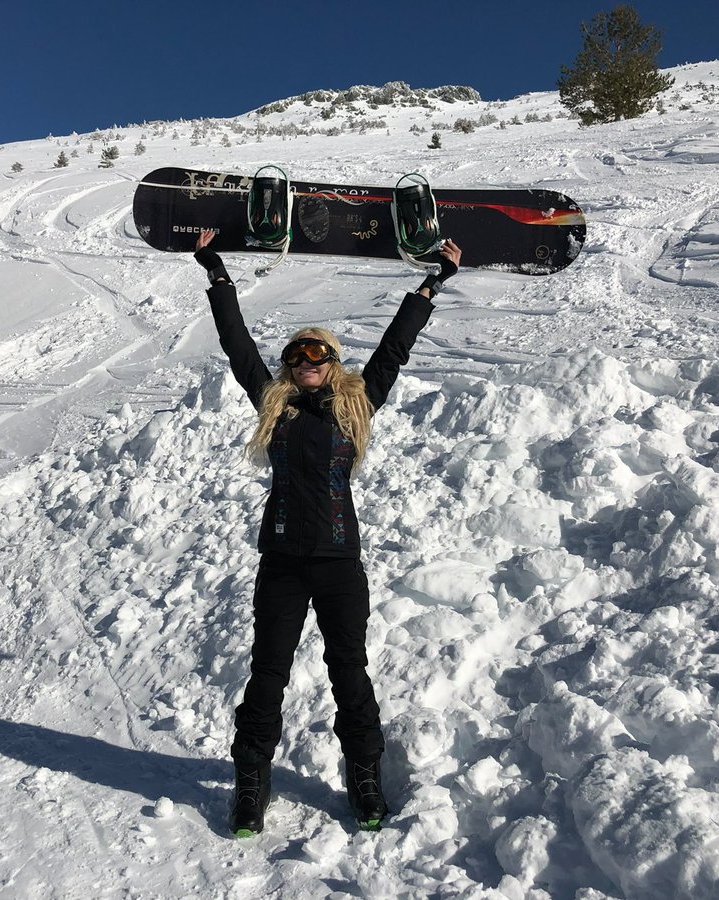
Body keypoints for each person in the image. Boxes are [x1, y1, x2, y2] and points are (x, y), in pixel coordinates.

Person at [194, 228, 463, 836]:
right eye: (297, 358)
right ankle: (252, 781)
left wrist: (432, 284)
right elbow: (237, 345)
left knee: (349, 671)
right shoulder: (275, 406)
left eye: (317, 357)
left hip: (340, 561)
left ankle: (365, 777)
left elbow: (394, 349)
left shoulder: (356, 406)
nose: (307, 365)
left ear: (332, 363)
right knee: (268, 674)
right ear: (289, 367)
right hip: (283, 562)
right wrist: (216, 273)